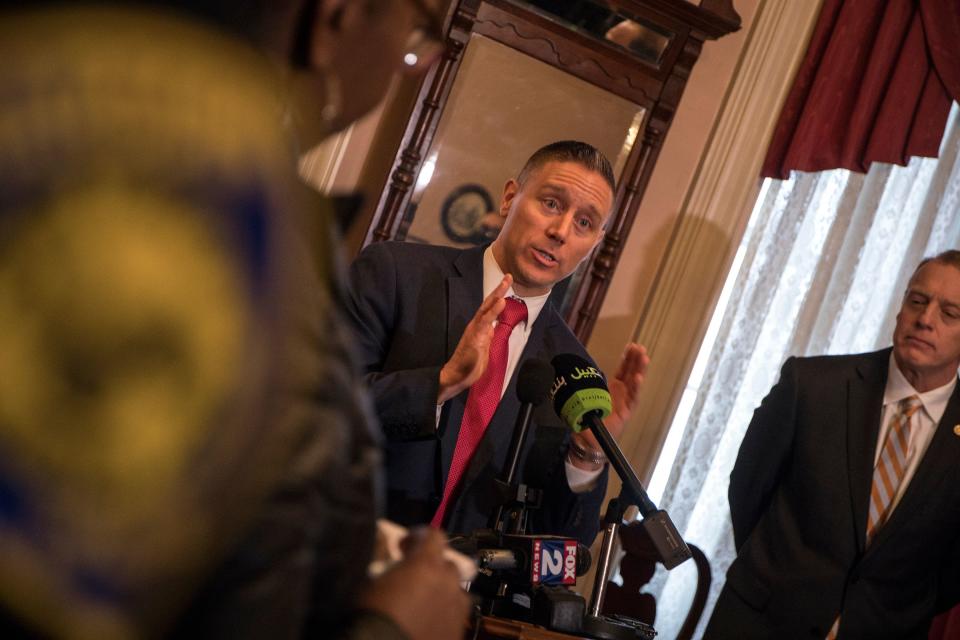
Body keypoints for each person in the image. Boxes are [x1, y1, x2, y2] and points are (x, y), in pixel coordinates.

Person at [0, 1, 468, 639]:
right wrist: (394, 626)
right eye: (413, 40)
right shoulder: (215, 249)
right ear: (338, 18)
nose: (404, 68)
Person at [346, 140, 649, 544]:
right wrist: (440, 384)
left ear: (594, 244)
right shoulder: (395, 274)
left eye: (584, 223)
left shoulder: (575, 375)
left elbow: (566, 545)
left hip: (453, 598)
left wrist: (588, 452)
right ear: (510, 197)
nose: (559, 232)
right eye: (552, 204)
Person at [705, 251, 960, 639]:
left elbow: (952, 571)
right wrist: (776, 579)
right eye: (917, 301)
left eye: (949, 314)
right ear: (900, 308)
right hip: (761, 621)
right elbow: (747, 490)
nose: (925, 320)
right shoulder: (811, 386)